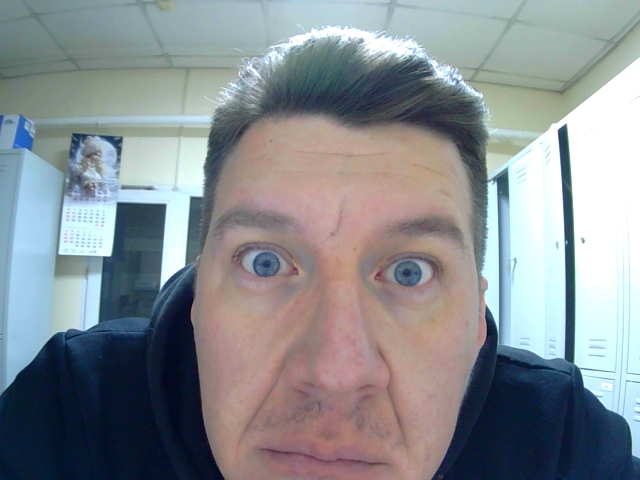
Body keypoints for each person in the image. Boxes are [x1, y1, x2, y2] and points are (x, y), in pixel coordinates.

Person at [0, 27, 637, 480]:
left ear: (476, 319)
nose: (336, 375)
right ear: (198, 298)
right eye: (265, 262)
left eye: (410, 271)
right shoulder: (75, 407)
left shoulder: (557, 439)